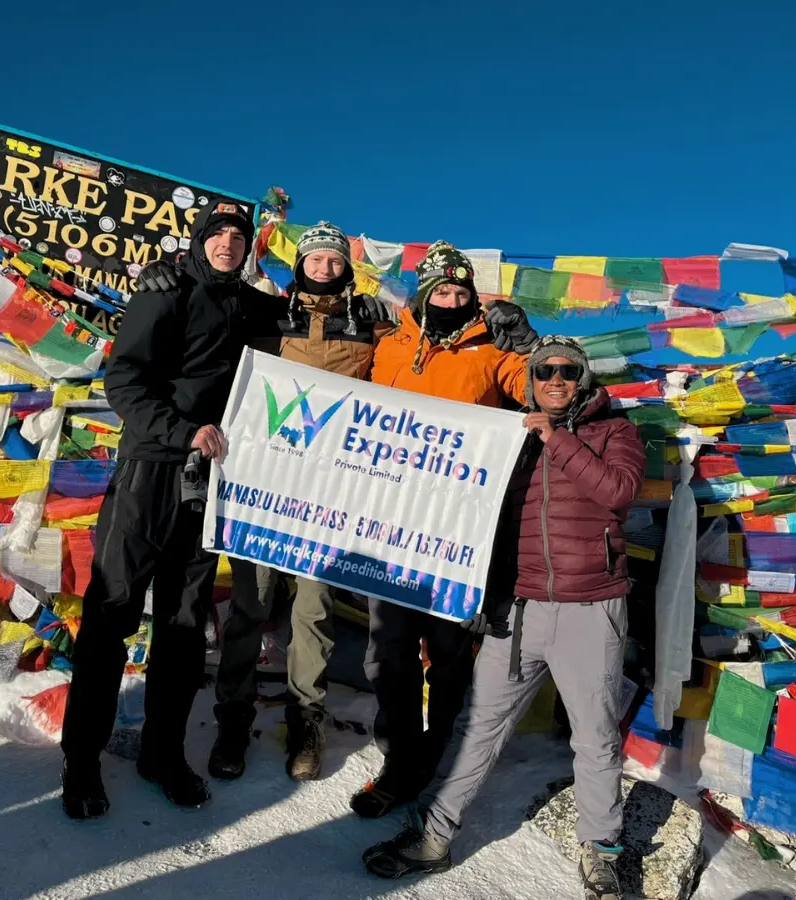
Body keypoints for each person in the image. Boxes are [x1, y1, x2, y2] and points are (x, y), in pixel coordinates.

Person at [361, 336, 646, 900]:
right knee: (477, 728)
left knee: (594, 739)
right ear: (531, 379)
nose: (556, 379)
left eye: (567, 370)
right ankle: (433, 837)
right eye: (545, 371)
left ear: (582, 378)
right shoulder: (509, 438)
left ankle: (602, 851)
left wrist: (556, 439)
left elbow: (618, 492)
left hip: (591, 610)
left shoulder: (615, 432)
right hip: (517, 610)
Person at [59, 195, 285, 820]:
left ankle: (163, 754)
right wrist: (178, 431)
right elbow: (123, 378)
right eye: (218, 235)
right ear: (200, 239)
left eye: (240, 239)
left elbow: (312, 323)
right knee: (111, 616)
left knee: (185, 628)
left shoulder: (250, 306)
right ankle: (81, 761)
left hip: (204, 483)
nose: (228, 245)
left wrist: (358, 310)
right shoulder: (166, 289)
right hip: (148, 475)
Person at [351, 241, 540, 819]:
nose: (452, 300)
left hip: (458, 527)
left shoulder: (492, 355)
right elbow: (346, 405)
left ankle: (440, 745)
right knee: (389, 648)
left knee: (451, 647)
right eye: (442, 291)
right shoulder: (390, 348)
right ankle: (400, 759)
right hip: (390, 522)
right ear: (424, 295)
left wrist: (529, 343)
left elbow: (549, 386)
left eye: (461, 292)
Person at [208, 222, 394, 784]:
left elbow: (425, 345)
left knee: (312, 610)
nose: (324, 267)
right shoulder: (267, 313)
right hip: (264, 485)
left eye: (334, 260)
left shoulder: (372, 322)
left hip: (325, 491)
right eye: (315, 258)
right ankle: (232, 721)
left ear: (346, 266)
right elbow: (214, 337)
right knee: (251, 602)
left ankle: (306, 721)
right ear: (300, 263)